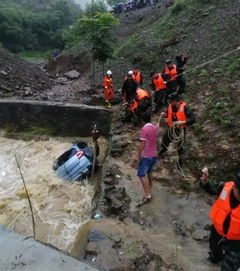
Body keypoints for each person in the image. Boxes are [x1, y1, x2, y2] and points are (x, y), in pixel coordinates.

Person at [200, 169, 240, 270]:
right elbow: (212, 189)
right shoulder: (224, 187)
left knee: (229, 265)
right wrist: (205, 182)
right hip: (218, 230)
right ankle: (216, 258)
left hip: (236, 242)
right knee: (214, 246)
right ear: (234, 186)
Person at [158, 94, 195, 168]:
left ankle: (180, 162)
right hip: (172, 128)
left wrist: (182, 122)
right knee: (165, 139)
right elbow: (168, 114)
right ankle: (164, 149)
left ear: (175, 100)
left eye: (171, 100)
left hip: (181, 130)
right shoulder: (170, 107)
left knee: (180, 147)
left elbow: (193, 119)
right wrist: (164, 115)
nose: (169, 102)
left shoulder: (185, 108)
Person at [134, 111, 159, 205]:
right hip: (154, 154)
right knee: (150, 171)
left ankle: (147, 194)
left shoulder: (144, 130)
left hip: (146, 156)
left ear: (142, 120)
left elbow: (142, 144)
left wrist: (137, 155)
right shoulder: (155, 127)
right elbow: (158, 129)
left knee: (141, 174)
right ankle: (150, 187)